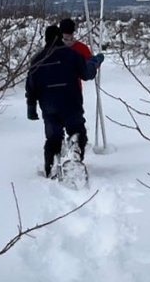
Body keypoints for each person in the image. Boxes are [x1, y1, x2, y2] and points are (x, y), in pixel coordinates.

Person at [26, 24, 103, 177]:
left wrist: (31, 108)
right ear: (60, 37)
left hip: (49, 106)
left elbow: (31, 86)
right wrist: (95, 62)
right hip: (71, 102)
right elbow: (87, 73)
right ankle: (75, 149)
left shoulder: (37, 60)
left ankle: (52, 163)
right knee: (77, 130)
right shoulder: (72, 55)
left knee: (53, 136)